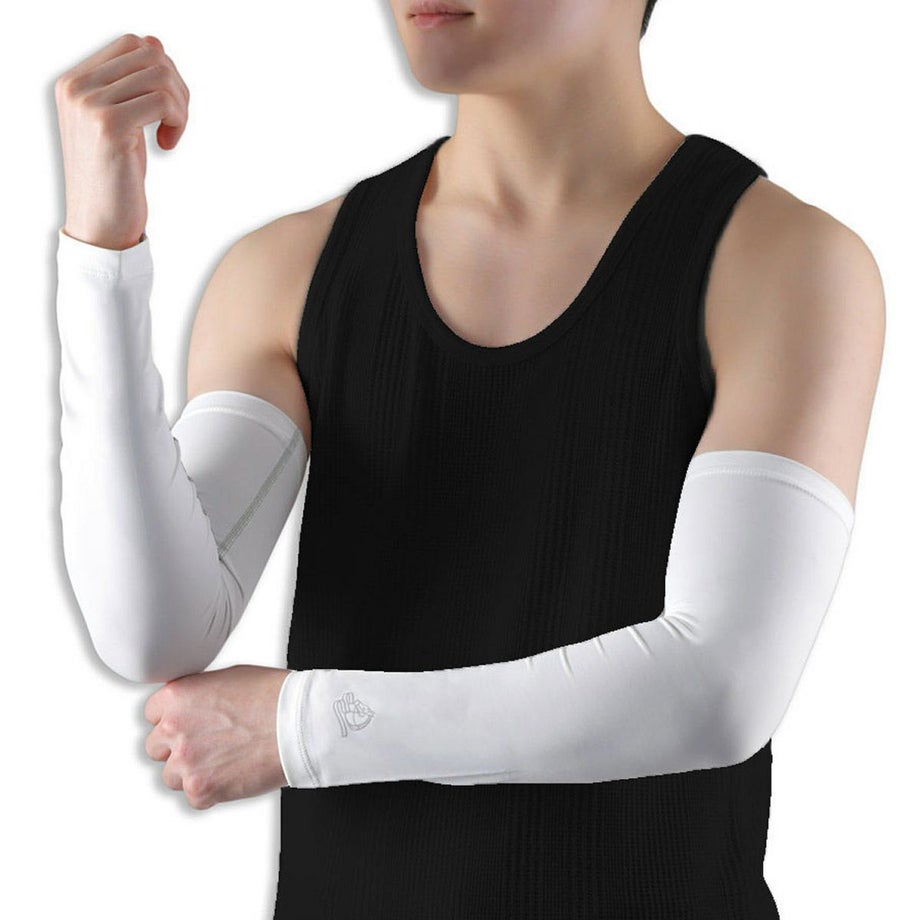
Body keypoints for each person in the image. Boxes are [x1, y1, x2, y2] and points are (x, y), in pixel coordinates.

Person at [53, 2, 884, 917]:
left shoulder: (784, 263)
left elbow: (717, 689)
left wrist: (305, 726)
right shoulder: (289, 270)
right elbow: (154, 629)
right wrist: (102, 258)